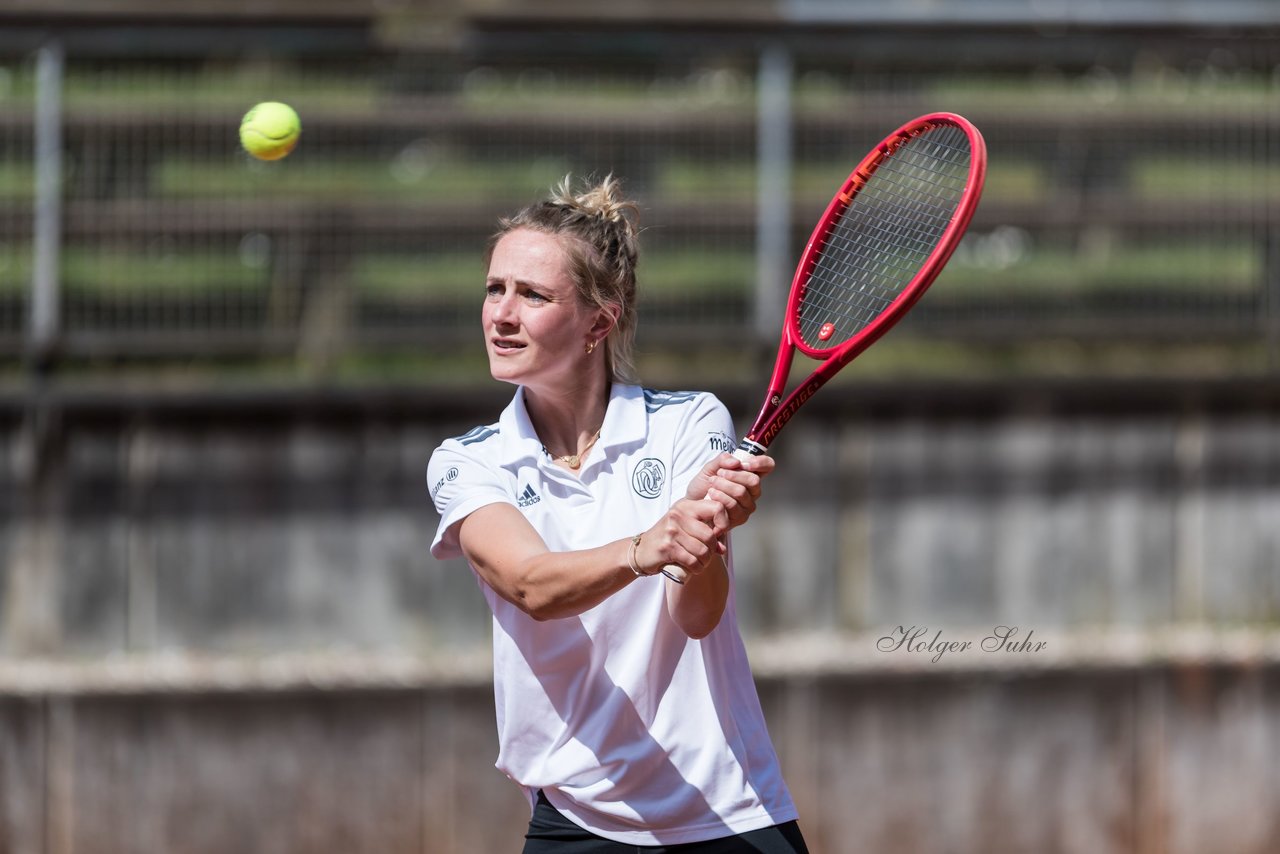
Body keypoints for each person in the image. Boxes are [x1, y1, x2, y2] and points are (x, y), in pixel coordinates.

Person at [427, 175, 808, 852]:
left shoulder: (693, 421)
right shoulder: (467, 461)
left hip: (730, 815)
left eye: (533, 295)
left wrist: (697, 544)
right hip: (575, 825)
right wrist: (647, 544)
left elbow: (696, 616)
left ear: (597, 324)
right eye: (495, 288)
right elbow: (531, 586)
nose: (502, 315)